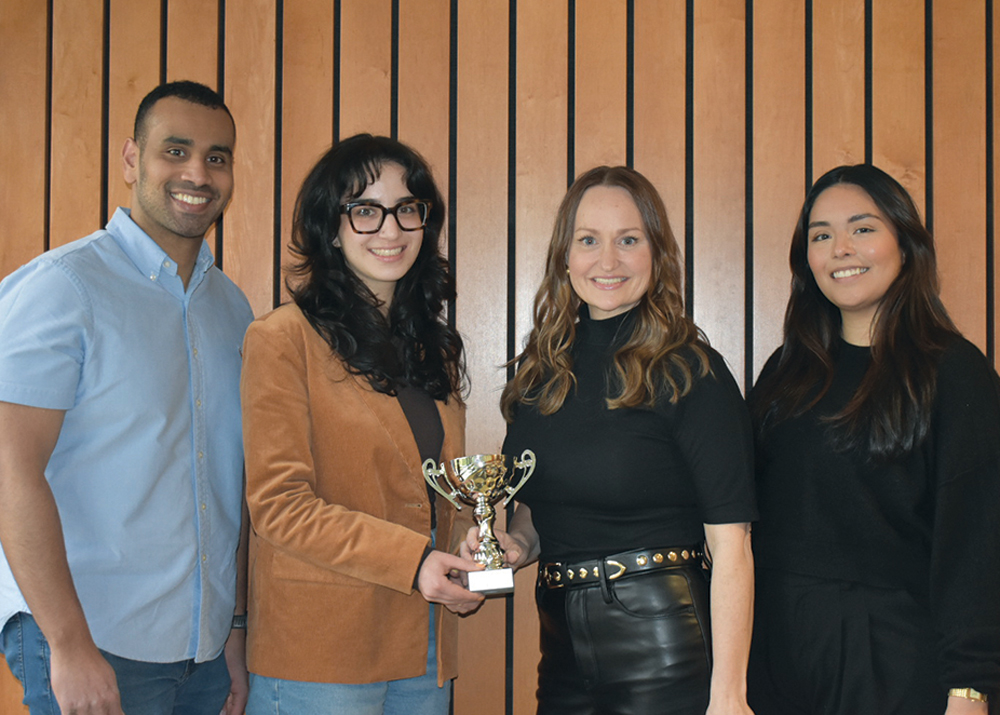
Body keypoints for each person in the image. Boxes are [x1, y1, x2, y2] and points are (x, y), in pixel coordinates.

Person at [0, 81, 253, 715]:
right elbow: (10, 469)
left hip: (202, 655)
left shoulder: (234, 310)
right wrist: (68, 643)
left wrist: (234, 631)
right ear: (131, 160)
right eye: (176, 150)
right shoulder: (64, 288)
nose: (198, 172)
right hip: (92, 643)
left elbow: (232, 487)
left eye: (217, 157)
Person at [474, 166, 757, 714]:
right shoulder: (540, 375)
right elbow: (537, 514)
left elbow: (732, 546)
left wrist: (729, 695)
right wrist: (513, 546)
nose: (608, 261)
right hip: (560, 654)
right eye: (589, 241)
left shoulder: (690, 370)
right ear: (565, 256)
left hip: (666, 649)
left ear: (657, 253)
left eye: (629, 240)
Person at [240, 134, 482, 715]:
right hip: (319, 655)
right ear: (331, 227)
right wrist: (414, 562)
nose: (391, 230)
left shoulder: (433, 350)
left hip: (425, 647)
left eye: (407, 209)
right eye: (366, 211)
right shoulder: (281, 339)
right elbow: (279, 505)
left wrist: (472, 550)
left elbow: (443, 489)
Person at [747, 164, 1000, 714]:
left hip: (893, 655)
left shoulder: (955, 372)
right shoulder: (786, 372)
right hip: (774, 651)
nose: (840, 248)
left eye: (862, 228)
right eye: (821, 235)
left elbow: (977, 545)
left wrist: (970, 688)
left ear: (905, 245)